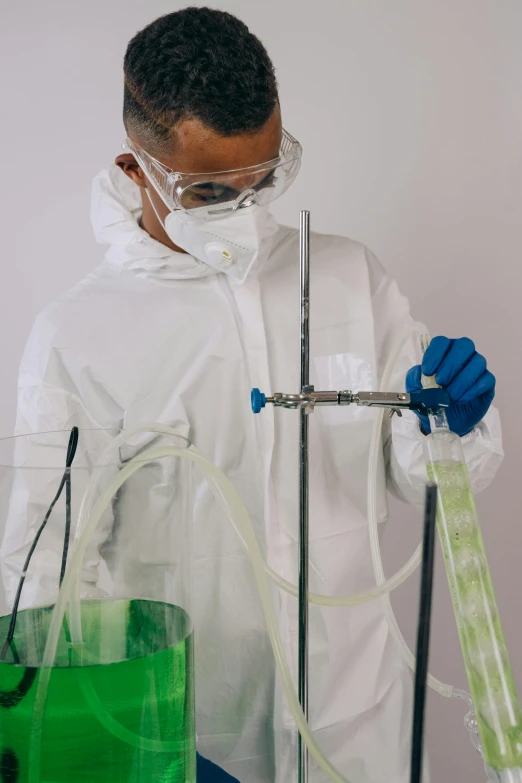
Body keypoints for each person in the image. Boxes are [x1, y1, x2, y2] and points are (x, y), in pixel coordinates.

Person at [3, 7, 503, 783]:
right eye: (208, 189)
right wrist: (134, 740)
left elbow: (432, 479)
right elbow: (43, 589)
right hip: (193, 736)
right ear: (137, 169)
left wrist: (453, 426)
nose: (244, 207)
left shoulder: (349, 279)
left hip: (359, 729)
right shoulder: (78, 335)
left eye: (262, 177)